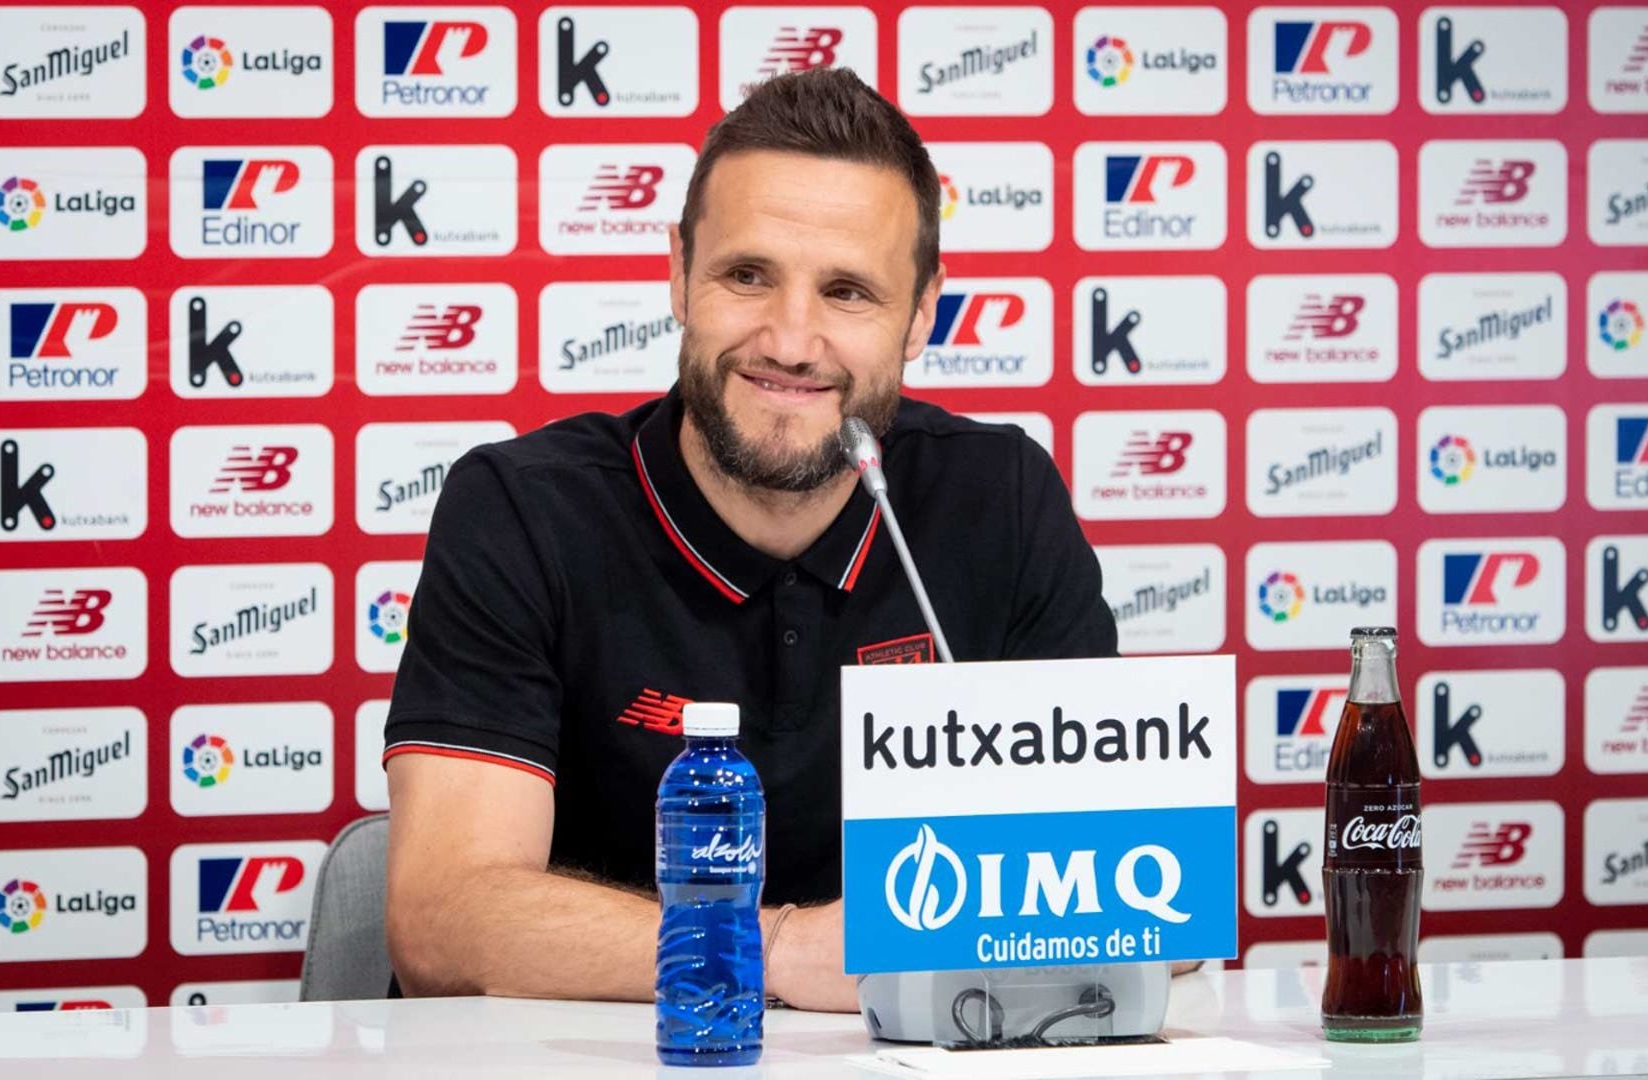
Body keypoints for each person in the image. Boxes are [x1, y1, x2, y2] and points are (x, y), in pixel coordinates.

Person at [382, 68, 1117, 1012]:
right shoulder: (524, 509)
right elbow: (443, 922)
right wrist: (779, 951)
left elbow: (1125, 909)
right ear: (680, 275)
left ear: (924, 312)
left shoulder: (1003, 499)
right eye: (747, 275)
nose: (792, 340)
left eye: (848, 291)